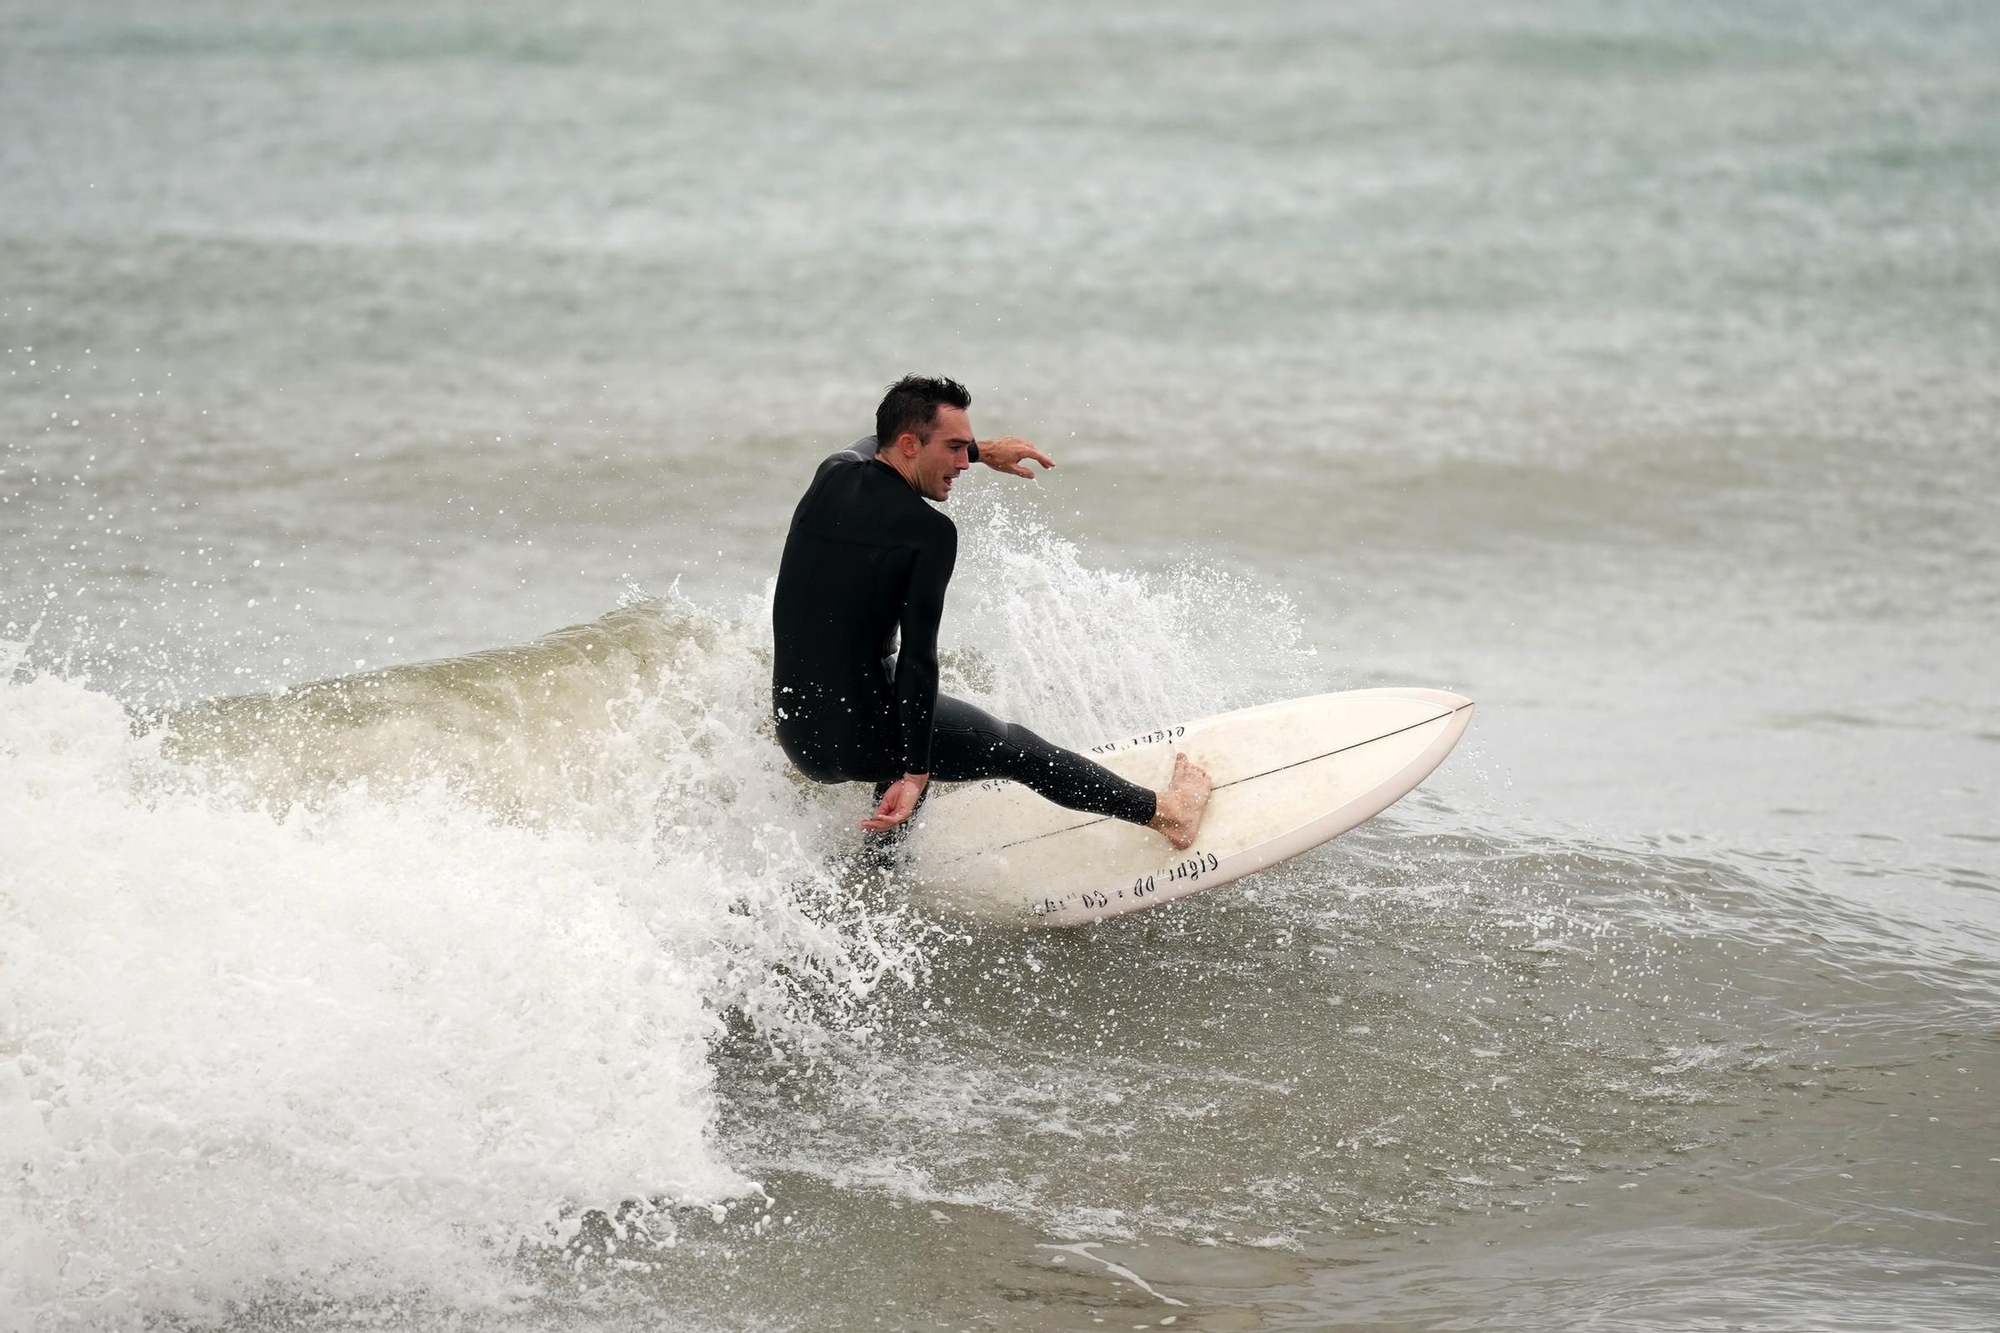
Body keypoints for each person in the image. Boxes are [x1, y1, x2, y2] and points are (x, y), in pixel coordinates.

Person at [771, 374, 1211, 852]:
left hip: (801, 735)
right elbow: (919, 660)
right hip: (863, 736)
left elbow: (871, 444)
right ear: (908, 444)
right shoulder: (928, 533)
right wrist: (916, 773)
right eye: (956, 448)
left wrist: (984, 450)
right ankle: (1168, 814)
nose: (963, 462)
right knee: (1012, 746)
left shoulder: (833, 473)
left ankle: (880, 877)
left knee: (916, 725)